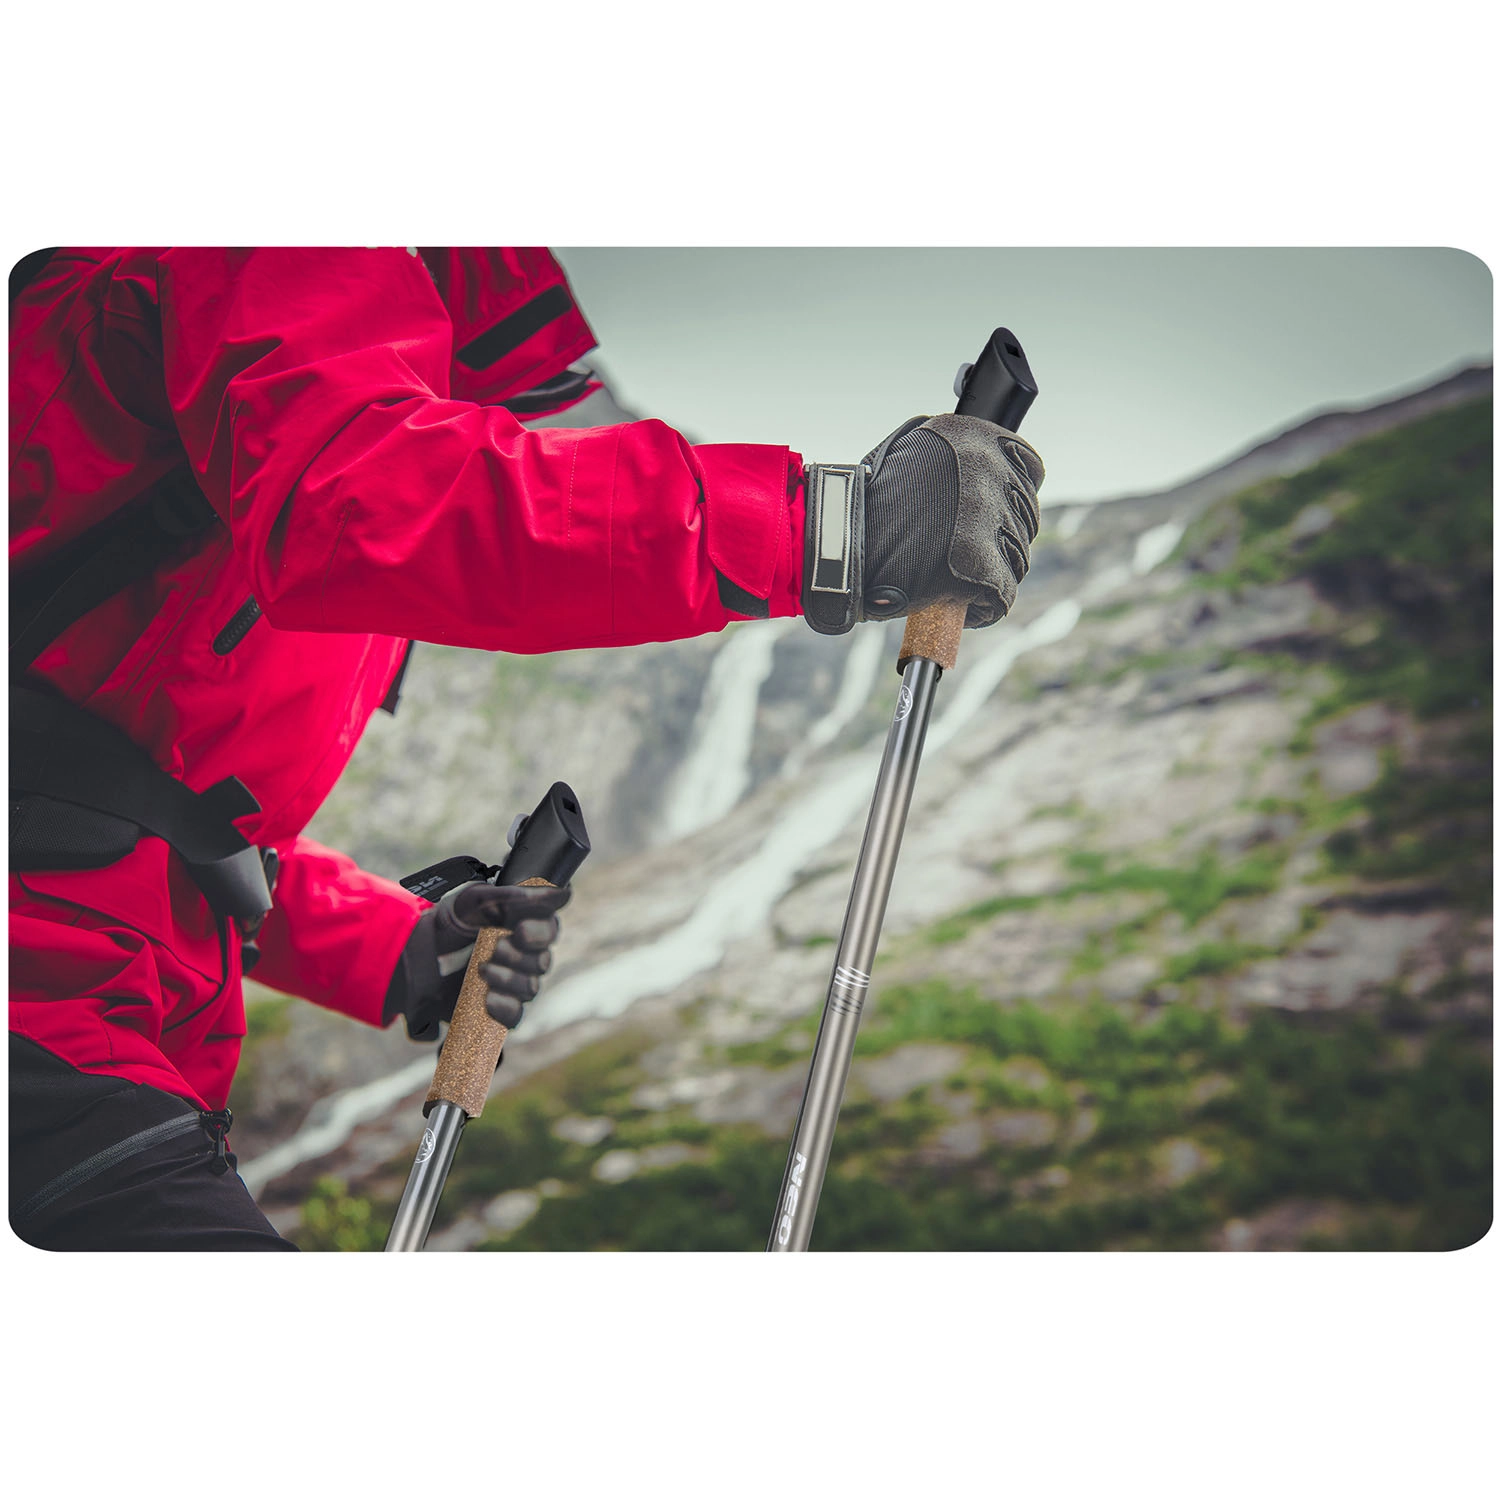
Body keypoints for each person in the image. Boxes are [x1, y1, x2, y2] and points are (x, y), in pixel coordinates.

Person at [8, 247, 1045, 1250]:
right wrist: (823, 526)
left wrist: (399, 949)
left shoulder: (366, 342)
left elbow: (139, 811)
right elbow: (374, 505)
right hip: (48, 1005)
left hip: (100, 1008)